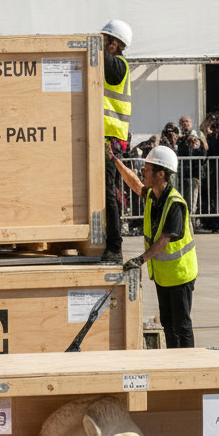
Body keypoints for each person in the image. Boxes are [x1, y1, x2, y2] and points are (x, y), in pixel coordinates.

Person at [113, 145, 198, 348]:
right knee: (168, 324)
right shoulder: (154, 196)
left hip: (180, 274)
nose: (143, 172)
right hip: (163, 275)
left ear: (160, 174)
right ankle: (173, 360)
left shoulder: (175, 203)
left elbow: (164, 240)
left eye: (147, 170)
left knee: (182, 325)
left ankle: (189, 362)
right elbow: (136, 185)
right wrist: (115, 161)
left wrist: (140, 259)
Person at [101, 18, 133, 265]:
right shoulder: (108, 65)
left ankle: (114, 246)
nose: (101, 44)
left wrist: (89, 44)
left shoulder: (118, 65)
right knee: (102, 192)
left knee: (108, 193)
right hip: (103, 136)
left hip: (110, 138)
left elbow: (101, 58)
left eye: (104, 40)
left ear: (115, 44)